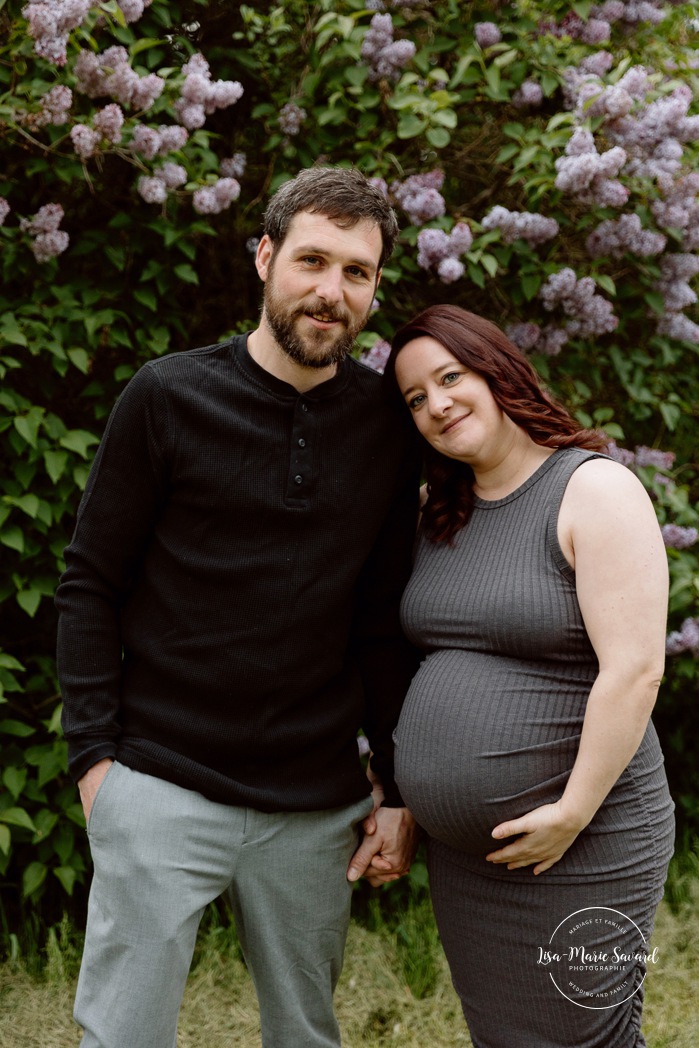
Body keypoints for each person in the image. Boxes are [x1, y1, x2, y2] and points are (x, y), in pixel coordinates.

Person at [55, 165, 421, 1048]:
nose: (331, 292)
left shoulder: (387, 425)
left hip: (314, 805)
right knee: (121, 1037)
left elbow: (380, 622)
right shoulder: (166, 396)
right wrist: (95, 762)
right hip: (159, 782)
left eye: (357, 272)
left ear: (374, 289)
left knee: (305, 1036)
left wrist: (396, 786)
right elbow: (91, 582)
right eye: (312, 261)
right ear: (264, 257)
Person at [383, 303, 675, 1048]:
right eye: (415, 398)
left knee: (586, 1037)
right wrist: (410, 795)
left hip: (589, 840)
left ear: (498, 372)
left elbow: (635, 670)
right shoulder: (438, 515)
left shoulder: (594, 490)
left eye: (450, 377)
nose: (436, 404)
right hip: (469, 860)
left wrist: (572, 812)